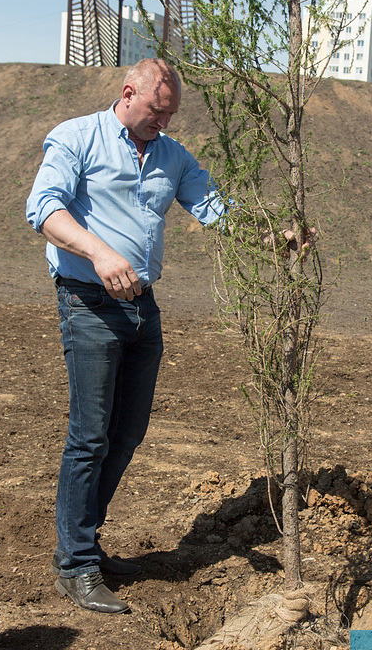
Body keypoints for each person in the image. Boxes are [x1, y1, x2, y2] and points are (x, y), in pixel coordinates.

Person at [26, 58, 228, 613]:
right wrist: (99, 251)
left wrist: (274, 234)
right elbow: (43, 209)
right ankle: (75, 566)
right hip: (87, 301)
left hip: (143, 308)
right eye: (155, 112)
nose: (161, 123)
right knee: (90, 436)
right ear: (128, 92)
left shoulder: (172, 156)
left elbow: (215, 209)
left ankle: (85, 543)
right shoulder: (77, 138)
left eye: (169, 115)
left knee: (129, 431)